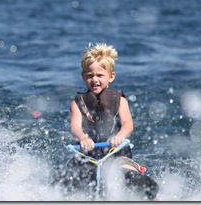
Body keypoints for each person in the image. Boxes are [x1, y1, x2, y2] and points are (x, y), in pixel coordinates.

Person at [55, 43, 158, 200]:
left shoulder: (120, 101)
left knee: (134, 179)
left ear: (111, 76)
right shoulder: (77, 103)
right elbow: (74, 126)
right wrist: (83, 138)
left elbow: (128, 124)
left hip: (117, 153)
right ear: (83, 77)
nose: (94, 79)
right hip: (88, 155)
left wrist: (120, 136)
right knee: (63, 183)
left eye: (99, 75)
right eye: (90, 76)